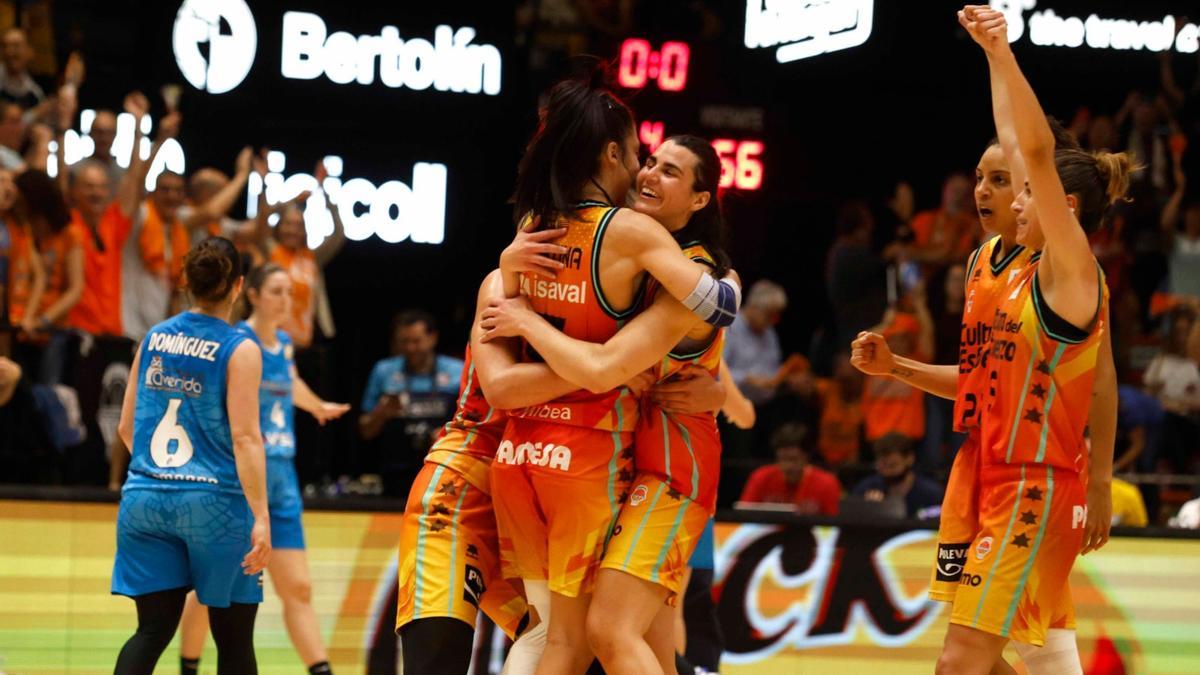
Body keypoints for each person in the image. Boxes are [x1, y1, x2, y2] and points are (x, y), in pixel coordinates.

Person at [480, 67, 741, 675]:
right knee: (630, 641)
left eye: (668, 170)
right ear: (614, 154)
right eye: (649, 161)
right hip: (608, 450)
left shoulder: (680, 259)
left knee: (602, 633)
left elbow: (715, 310)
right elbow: (604, 368)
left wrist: (522, 310)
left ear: (701, 201)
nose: (648, 172)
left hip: (665, 464)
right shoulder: (628, 240)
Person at [933, 8, 1129, 673]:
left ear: (1061, 208)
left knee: (961, 660)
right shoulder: (1007, 263)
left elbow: (1036, 153)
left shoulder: (1073, 270)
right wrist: (991, 60)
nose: (1013, 198)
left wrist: (1003, 49)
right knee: (1029, 656)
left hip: (1036, 483)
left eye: (1022, 192)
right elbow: (1019, 143)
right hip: (990, 471)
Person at [177, 263, 349, 674]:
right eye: (276, 291)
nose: (285, 300)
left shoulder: (285, 344)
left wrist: (316, 406)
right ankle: (188, 665)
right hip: (239, 480)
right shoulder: (237, 342)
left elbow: (289, 383)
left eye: (289, 292)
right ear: (251, 294)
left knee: (299, 588)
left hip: (282, 482)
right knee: (209, 589)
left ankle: (321, 669)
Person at [111, 237, 270, 672]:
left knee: (150, 632)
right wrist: (260, 516)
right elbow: (245, 438)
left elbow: (127, 428)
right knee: (234, 641)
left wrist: (161, 476)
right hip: (214, 502)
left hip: (145, 496)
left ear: (186, 282)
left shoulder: (154, 337)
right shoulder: (240, 348)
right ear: (238, 286)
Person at [359, 310, 464, 497]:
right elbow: (365, 431)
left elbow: (474, 424)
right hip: (395, 470)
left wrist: (445, 435)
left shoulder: (457, 371)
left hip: (443, 467)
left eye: (416, 341)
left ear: (433, 338)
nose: (410, 348)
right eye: (404, 342)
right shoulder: (384, 371)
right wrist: (382, 413)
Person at [1143, 308, 1200, 474]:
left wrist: (1182, 405)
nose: (1182, 337)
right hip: (1162, 420)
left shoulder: (1195, 365)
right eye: (1178, 331)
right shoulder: (1161, 361)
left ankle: (1182, 477)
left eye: (1186, 332)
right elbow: (1146, 395)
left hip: (1191, 422)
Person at [737, 423, 840, 515]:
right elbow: (743, 515)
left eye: (793, 459)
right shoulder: (761, 477)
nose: (787, 466)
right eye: (782, 459)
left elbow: (834, 527)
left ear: (806, 457)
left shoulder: (827, 483)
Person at [851, 432, 944, 519]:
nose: (886, 472)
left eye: (892, 466)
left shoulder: (931, 494)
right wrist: (868, 509)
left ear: (909, 459)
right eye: (881, 466)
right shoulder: (865, 489)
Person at [0, 28, 44, 110]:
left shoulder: (34, 93)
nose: (9, 52)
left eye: (16, 46)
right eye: (4, 46)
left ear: (29, 51)